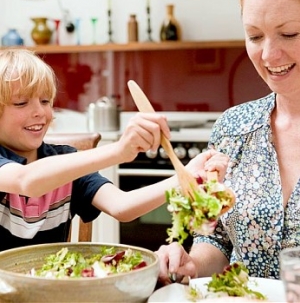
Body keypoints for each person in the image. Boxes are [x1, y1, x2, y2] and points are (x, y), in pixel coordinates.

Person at [0, 48, 229, 252]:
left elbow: (122, 207)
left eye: (45, 101)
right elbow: (26, 181)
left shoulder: (65, 160)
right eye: (21, 103)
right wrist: (119, 150)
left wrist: (186, 177)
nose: (40, 112)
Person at [156, 0, 300, 284]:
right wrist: (190, 264)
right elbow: (217, 238)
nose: (268, 54)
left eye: (289, 33)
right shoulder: (234, 126)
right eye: (255, 36)